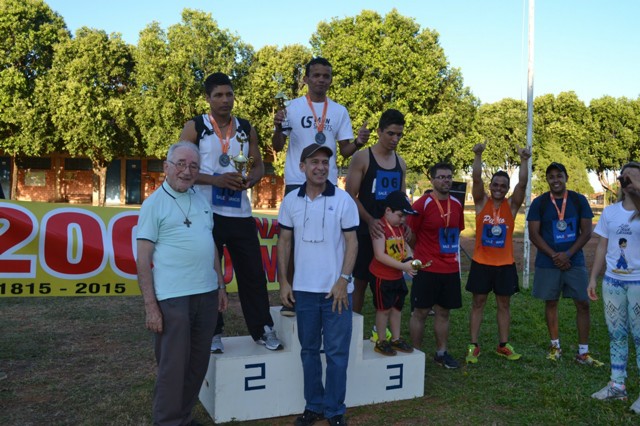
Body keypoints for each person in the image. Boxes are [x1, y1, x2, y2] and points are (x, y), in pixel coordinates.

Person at [180, 72, 282, 352]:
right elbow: (180, 168)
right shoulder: (196, 127)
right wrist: (215, 180)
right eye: (218, 95)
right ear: (208, 98)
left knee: (252, 274)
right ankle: (213, 333)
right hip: (204, 213)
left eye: (229, 94)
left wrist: (253, 178)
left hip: (239, 213)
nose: (225, 100)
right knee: (208, 275)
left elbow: (259, 164)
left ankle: (262, 329)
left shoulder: (245, 128)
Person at [136, 141, 228, 426]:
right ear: (166, 167)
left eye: (193, 166)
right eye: (181, 164)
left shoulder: (201, 201)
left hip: (206, 294)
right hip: (173, 298)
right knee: (173, 368)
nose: (187, 171)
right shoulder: (154, 204)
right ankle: (166, 421)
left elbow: (210, 244)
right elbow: (142, 258)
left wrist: (220, 285)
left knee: (198, 364)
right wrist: (151, 306)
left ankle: (182, 418)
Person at [272, 56, 370, 316]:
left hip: (327, 184)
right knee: (291, 241)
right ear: (306, 79)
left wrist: (358, 142)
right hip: (296, 182)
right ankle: (289, 297)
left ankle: (332, 288)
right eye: (316, 75)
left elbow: (345, 150)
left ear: (330, 80)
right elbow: (277, 146)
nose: (321, 80)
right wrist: (277, 127)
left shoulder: (338, 111)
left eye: (326, 76)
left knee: (331, 240)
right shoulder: (291, 108)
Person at [277, 144, 358, 426]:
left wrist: (343, 280)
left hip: (337, 292)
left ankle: (335, 410)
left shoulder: (344, 200)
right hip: (304, 291)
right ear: (302, 167)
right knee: (309, 350)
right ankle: (314, 406)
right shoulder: (290, 201)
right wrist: (284, 281)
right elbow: (284, 242)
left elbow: (352, 242)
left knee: (336, 354)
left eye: (325, 162)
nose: (321, 167)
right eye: (315, 162)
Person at [527, 162, 603, 366]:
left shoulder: (578, 200)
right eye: (551, 176)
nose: (555, 180)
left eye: (559, 175)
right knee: (551, 302)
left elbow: (586, 232)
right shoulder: (540, 203)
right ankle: (555, 347)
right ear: (547, 180)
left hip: (574, 261)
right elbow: (533, 234)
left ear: (566, 177)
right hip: (548, 262)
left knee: (583, 303)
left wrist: (568, 254)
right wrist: (555, 255)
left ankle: (583, 353)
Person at [464, 143, 531, 364]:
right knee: (478, 303)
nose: (499, 188)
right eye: (496, 184)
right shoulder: (481, 202)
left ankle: (503, 345)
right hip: (481, 263)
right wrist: (478, 154)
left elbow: (522, 183)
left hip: (504, 264)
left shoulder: (511, 206)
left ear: (507, 188)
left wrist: (523, 160)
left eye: (503, 185)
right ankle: (473, 345)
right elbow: (475, 180)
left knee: (504, 304)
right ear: (491, 185)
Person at [588, 161, 640, 412]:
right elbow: (601, 246)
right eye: (624, 176)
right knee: (616, 334)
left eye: (633, 176)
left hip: (638, 282)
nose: (627, 179)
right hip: (613, 282)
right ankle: (617, 385)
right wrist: (593, 278)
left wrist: (636, 191)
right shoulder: (610, 212)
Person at [345, 109, 408, 314]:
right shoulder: (362, 158)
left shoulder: (401, 163)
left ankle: (384, 333)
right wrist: (371, 221)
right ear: (380, 131)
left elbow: (401, 200)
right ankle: (352, 328)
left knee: (390, 280)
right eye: (390, 133)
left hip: (390, 234)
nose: (395, 139)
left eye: (399, 134)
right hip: (366, 230)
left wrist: (404, 223)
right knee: (360, 282)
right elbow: (351, 195)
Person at [407, 163, 465, 369]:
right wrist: (423, 255)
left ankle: (441, 353)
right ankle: (415, 354)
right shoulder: (421, 205)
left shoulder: (457, 205)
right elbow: (411, 236)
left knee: (443, 312)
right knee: (420, 312)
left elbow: (456, 232)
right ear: (432, 180)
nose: (445, 180)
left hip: (449, 269)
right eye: (441, 177)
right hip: (426, 268)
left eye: (448, 177)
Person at [368, 190, 418, 356]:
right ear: (388, 211)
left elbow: (404, 246)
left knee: (397, 308)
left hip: (397, 276)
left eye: (405, 216)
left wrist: (410, 257)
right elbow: (379, 255)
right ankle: (381, 340)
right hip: (382, 277)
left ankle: (396, 339)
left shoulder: (400, 228)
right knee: (383, 310)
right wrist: (403, 267)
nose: (403, 219)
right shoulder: (381, 228)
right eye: (400, 215)